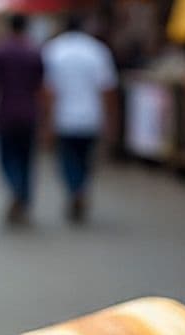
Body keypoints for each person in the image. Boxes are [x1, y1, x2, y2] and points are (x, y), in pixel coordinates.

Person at [41, 15, 118, 224]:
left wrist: (46, 121)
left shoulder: (54, 50)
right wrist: (111, 120)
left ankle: (75, 189)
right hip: (91, 117)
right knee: (85, 159)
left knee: (68, 159)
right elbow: (107, 89)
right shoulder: (97, 51)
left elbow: (48, 90)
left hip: (64, 117)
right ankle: (80, 188)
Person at [0, 14, 44, 226]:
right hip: (30, 113)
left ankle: (17, 189)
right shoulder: (35, 52)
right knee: (27, 161)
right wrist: (46, 119)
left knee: (7, 159)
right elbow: (42, 89)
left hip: (7, 113)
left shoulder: (0, 51)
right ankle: (24, 199)